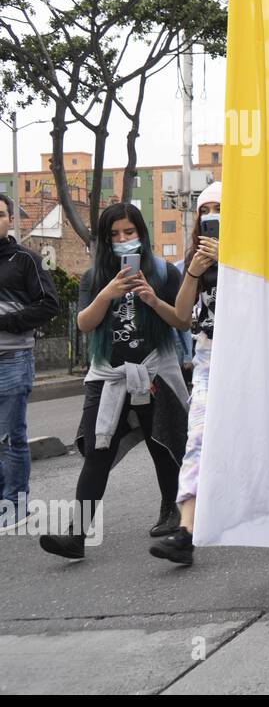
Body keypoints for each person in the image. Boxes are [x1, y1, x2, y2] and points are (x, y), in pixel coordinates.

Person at [38, 204, 191, 560]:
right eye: (114, 235)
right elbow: (84, 324)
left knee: (163, 445)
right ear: (105, 241)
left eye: (129, 232)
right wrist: (107, 293)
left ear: (142, 233)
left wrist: (151, 299)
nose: (123, 240)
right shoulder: (94, 278)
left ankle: (171, 513)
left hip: (156, 371)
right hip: (109, 376)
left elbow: (182, 321)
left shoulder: (164, 273)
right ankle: (77, 535)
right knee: (97, 452)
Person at [150, 182, 221, 565]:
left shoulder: (253, 257)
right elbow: (180, 317)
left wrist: (232, 261)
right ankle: (187, 532)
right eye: (205, 208)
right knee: (197, 439)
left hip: (250, 360)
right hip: (210, 357)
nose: (211, 215)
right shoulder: (190, 260)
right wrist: (193, 272)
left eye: (219, 208)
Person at [0, 193, 59, 531]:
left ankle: (16, 506)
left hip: (13, 359)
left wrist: (7, 322)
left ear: (10, 220)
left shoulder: (25, 260)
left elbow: (48, 305)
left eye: (0, 214)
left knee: (11, 436)